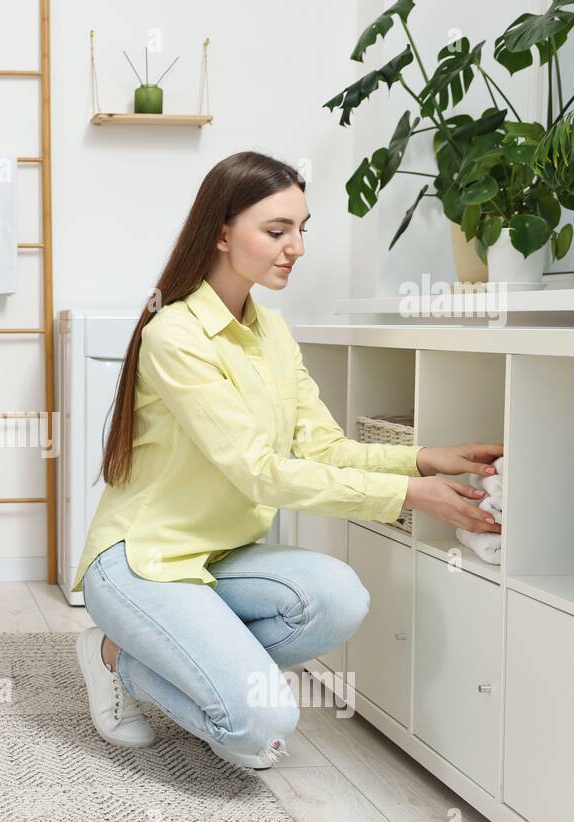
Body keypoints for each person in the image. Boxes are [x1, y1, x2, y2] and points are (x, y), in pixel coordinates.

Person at [70, 151, 503, 769]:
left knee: (337, 598)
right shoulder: (175, 336)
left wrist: (423, 461)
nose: (296, 247)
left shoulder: (272, 333)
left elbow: (322, 448)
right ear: (221, 232)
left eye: (302, 230)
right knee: (261, 731)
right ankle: (117, 657)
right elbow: (259, 471)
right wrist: (407, 498)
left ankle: (176, 651)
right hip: (145, 561)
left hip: (220, 556)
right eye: (277, 231)